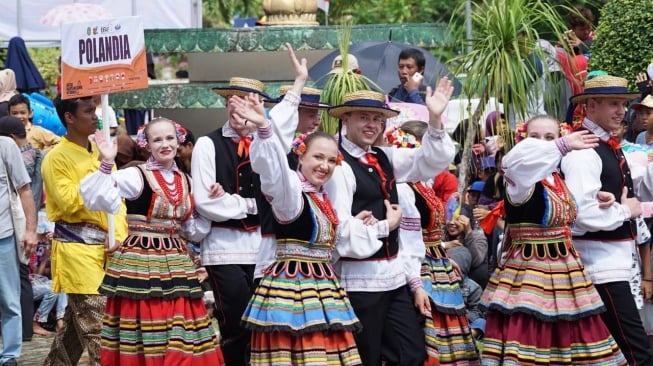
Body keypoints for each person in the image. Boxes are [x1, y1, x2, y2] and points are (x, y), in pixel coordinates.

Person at [324, 79, 455, 365]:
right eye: (363, 117)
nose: (372, 124)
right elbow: (341, 233)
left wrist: (434, 120)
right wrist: (386, 226)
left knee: (410, 354)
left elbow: (431, 161)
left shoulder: (384, 156)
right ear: (346, 118)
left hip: (392, 279)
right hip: (359, 282)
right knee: (365, 357)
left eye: (377, 118)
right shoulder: (339, 167)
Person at [233, 82, 363, 363]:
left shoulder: (322, 198)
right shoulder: (291, 194)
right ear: (300, 156)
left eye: (331, 160)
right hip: (291, 291)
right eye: (318, 157)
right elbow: (273, 172)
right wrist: (265, 130)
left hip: (325, 288)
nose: (324, 166)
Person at [481, 115, 627, 364]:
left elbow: (572, 219)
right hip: (529, 274)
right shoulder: (520, 176)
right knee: (533, 338)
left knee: (571, 340)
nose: (541, 143)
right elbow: (517, 163)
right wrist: (561, 145)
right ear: (521, 140)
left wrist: (604, 200)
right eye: (534, 137)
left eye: (550, 137)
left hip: (566, 273)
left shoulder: (557, 179)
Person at [79, 118, 223, 365]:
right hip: (141, 263)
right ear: (147, 145)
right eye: (157, 139)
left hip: (177, 264)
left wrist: (211, 203)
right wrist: (106, 163)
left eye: (169, 138)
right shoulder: (136, 175)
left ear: (179, 141)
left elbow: (194, 230)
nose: (165, 144)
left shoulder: (186, 181)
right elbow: (94, 197)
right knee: (147, 321)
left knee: (182, 325)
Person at [561, 75, 653, 365]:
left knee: (618, 353)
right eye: (613, 104)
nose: (621, 111)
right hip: (599, 266)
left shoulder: (605, 147)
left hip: (614, 264)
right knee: (636, 351)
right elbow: (583, 213)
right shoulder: (584, 152)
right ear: (591, 106)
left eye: (622, 104)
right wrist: (627, 210)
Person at [41, 95, 129, 366]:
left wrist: (120, 237)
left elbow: (118, 203)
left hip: (108, 249)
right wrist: (102, 172)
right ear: (69, 117)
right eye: (89, 111)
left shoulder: (101, 152)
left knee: (74, 333)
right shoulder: (56, 157)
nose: (96, 117)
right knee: (102, 331)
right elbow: (68, 202)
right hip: (77, 250)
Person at [192, 76, 272, 366]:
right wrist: (254, 206)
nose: (237, 111)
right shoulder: (207, 144)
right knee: (235, 322)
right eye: (231, 104)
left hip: (264, 248)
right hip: (224, 247)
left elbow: (279, 195)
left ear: (259, 106)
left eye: (246, 104)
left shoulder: (268, 143)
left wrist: (233, 202)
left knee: (264, 323)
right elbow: (205, 202)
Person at [385, 123, 480, 365]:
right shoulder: (401, 187)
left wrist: (444, 254)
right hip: (419, 265)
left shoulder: (421, 184)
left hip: (438, 264)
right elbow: (408, 238)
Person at [0, 115, 43, 341]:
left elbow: (25, 190)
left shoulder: (6, 145)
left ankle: (10, 354)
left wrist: (30, 229)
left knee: (9, 297)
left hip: (4, 234)